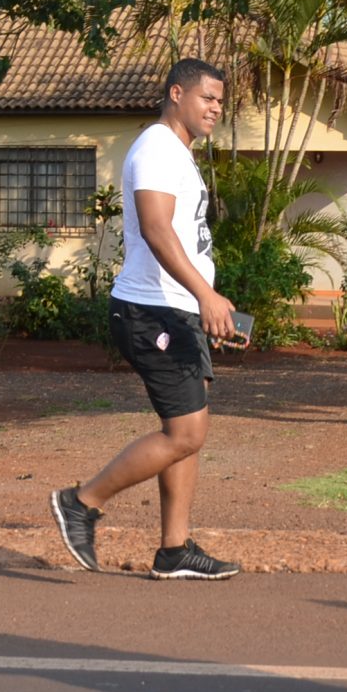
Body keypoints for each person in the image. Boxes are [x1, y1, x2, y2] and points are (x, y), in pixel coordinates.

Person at [50, 58, 242, 582]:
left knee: (189, 425)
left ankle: (175, 550)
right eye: (207, 98)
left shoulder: (175, 152)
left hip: (175, 308)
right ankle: (81, 502)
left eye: (220, 102)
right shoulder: (158, 147)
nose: (215, 109)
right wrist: (205, 294)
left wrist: (202, 303)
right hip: (151, 309)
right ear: (176, 94)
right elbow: (157, 229)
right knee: (185, 433)